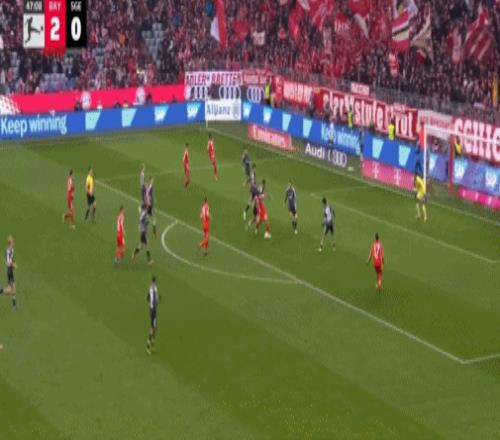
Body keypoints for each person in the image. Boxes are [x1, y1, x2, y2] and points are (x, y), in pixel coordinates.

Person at [0, 236, 17, 308]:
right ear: (10, 243)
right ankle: (1, 291)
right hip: (10, 271)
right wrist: (13, 264)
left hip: (11, 271)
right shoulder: (9, 251)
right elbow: (8, 263)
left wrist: (13, 262)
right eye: (12, 242)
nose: (13, 243)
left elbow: (9, 259)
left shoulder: (11, 250)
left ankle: (14, 306)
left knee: (14, 289)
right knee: (10, 290)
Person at [146, 276, 159, 355]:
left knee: (155, 327)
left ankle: (152, 343)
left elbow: (147, 298)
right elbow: (155, 300)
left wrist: (150, 304)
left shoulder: (150, 288)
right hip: (153, 310)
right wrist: (155, 303)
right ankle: (148, 346)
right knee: (152, 328)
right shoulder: (154, 289)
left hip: (152, 310)